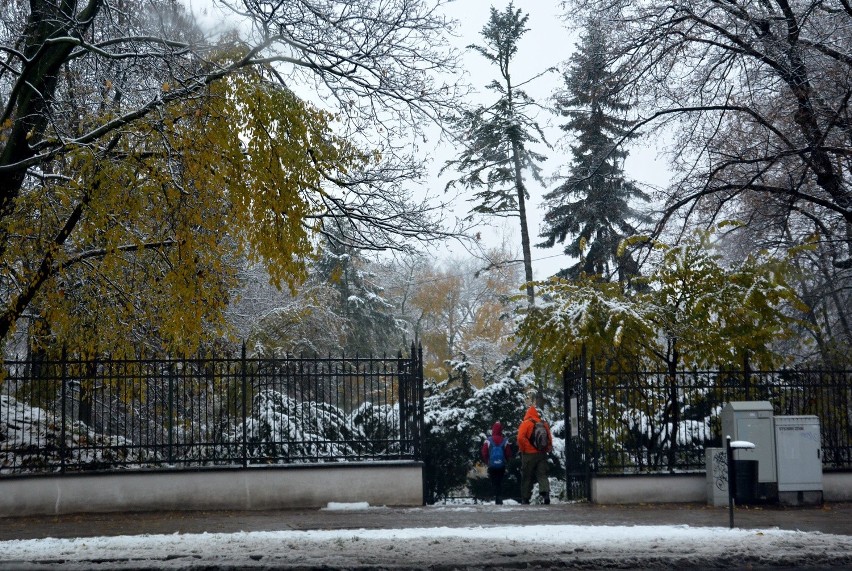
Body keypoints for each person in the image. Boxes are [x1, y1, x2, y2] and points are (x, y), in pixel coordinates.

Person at [516, 405, 553, 504]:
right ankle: (546, 494)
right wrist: (548, 448)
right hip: (542, 453)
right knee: (542, 474)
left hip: (528, 454)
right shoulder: (543, 424)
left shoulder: (525, 423)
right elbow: (549, 437)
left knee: (527, 476)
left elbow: (520, 438)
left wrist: (524, 448)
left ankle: (525, 498)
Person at [480, 421, 512, 505]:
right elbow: (508, 453)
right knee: (500, 481)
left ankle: (494, 496)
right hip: (501, 465)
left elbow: (484, 452)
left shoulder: (488, 440)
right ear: (501, 430)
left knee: (493, 480)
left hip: (492, 465)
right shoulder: (505, 440)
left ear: (493, 429)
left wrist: (488, 461)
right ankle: (499, 497)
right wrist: (506, 461)